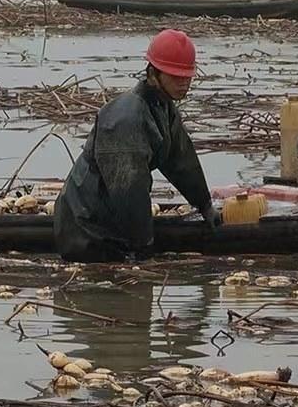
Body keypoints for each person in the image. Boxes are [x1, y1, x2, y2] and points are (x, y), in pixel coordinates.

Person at [54, 29, 222, 262]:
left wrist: (205, 205)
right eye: (176, 77)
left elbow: (181, 160)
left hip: (112, 217)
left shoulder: (164, 107)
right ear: (153, 73)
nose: (184, 84)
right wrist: (144, 245)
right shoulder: (126, 120)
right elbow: (129, 190)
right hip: (86, 228)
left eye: (187, 77)